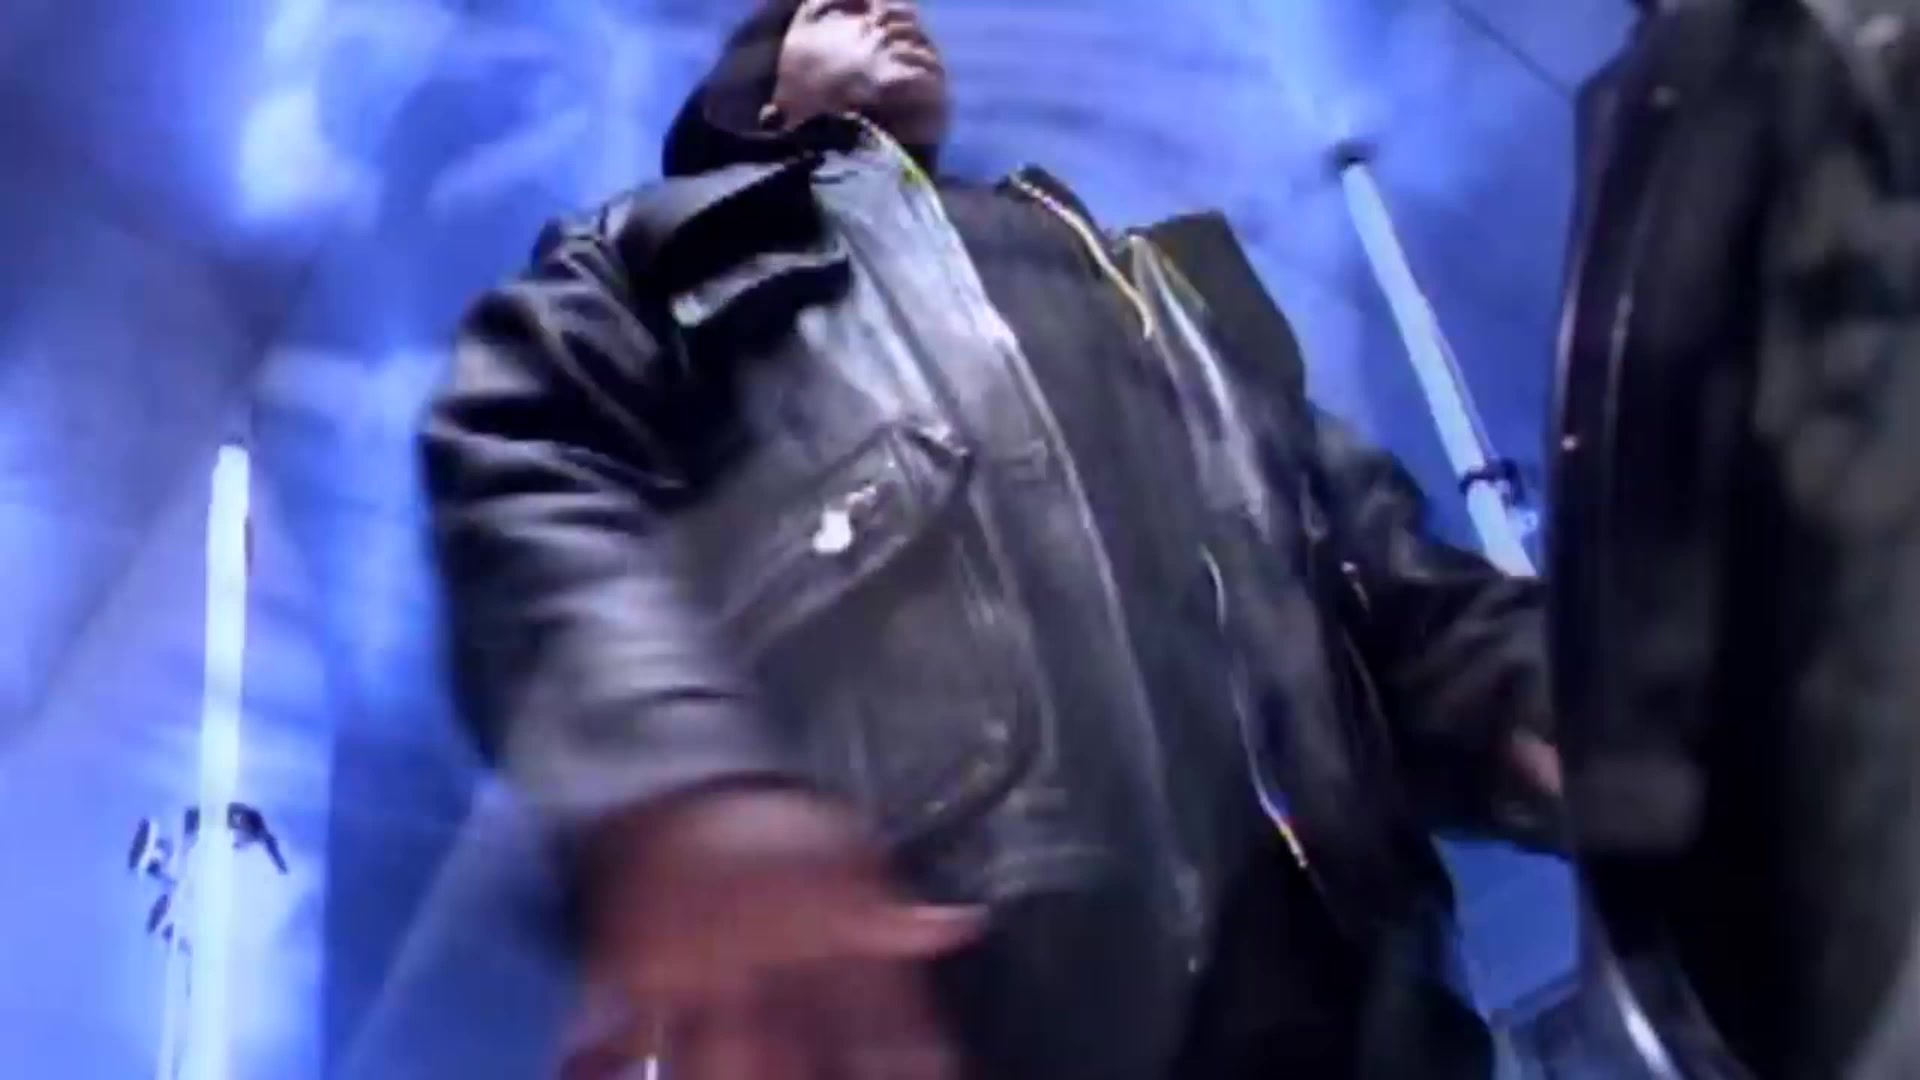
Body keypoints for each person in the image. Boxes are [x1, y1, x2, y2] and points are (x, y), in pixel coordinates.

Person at [422, 1, 1563, 1076]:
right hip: (932, 986)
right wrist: (678, 784)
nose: (891, 10)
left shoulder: (1146, 286)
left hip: (1343, 1002)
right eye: (834, 6)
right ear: (756, 100)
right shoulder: (658, 252)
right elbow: (527, 453)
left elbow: (1384, 581)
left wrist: (1574, 710)